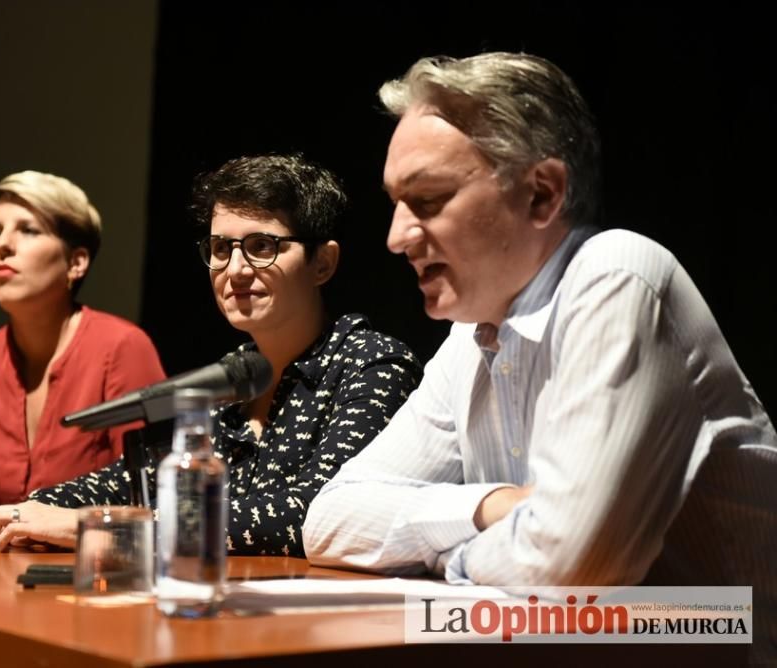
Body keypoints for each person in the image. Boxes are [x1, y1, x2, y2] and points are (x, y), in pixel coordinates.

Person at [302, 52, 776, 643]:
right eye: (395, 204)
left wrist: (452, 562)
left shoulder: (617, 277)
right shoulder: (470, 338)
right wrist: (497, 506)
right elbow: (329, 518)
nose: (397, 238)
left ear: (542, 195)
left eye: (427, 200)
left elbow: (572, 569)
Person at [0, 154, 422, 556]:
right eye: (221, 248)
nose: (236, 269)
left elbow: (317, 513)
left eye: (261, 246)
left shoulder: (371, 364)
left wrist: (92, 526)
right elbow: (128, 478)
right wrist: (25, 511)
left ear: (323, 263)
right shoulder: (229, 379)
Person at [0, 170, 166, 516]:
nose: (3, 245)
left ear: (76, 262)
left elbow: (153, 498)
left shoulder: (123, 347)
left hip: (96, 565)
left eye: (28, 230)